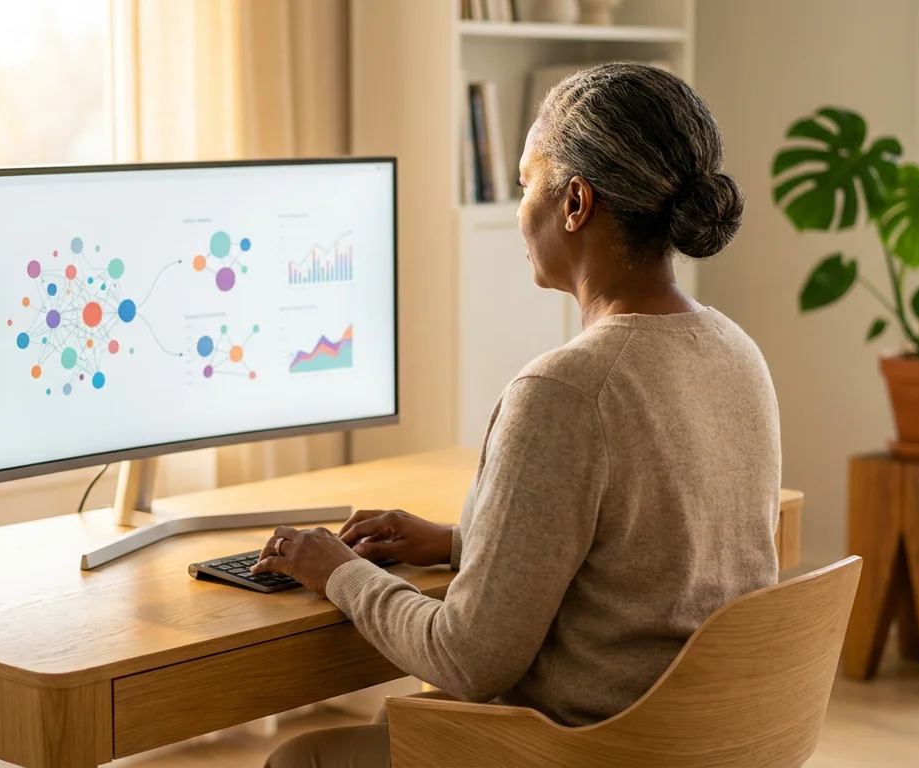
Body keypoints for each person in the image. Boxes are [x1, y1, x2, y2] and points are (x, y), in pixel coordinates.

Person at [254, 61, 780, 768]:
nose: (518, 208)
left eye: (527, 181)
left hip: (583, 749)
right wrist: (456, 541)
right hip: (701, 741)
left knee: (301, 759)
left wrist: (335, 569)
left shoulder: (568, 390)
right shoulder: (736, 351)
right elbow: (644, 561)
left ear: (575, 203)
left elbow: (467, 661)